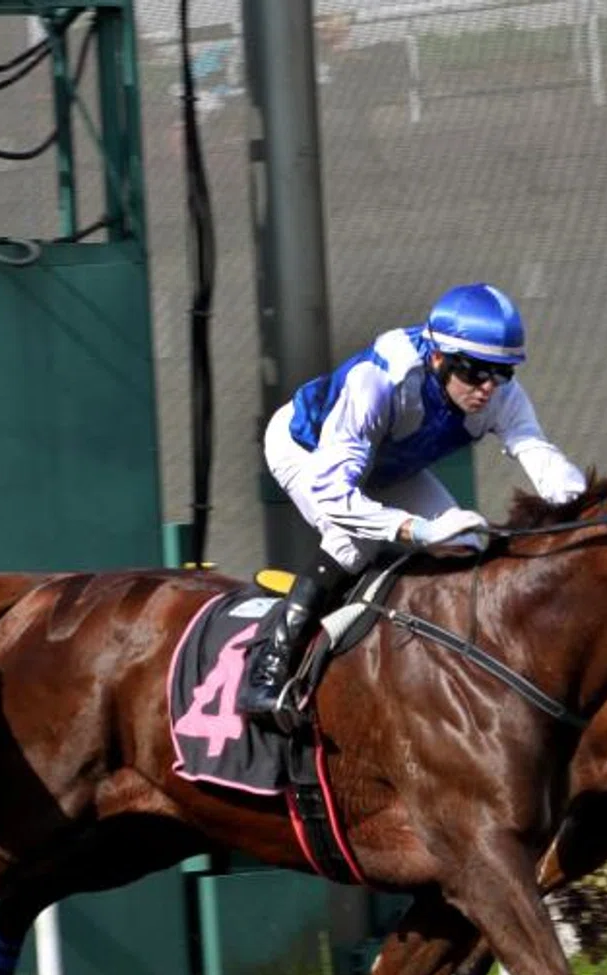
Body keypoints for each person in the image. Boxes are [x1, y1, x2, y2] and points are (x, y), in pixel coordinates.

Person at [237, 282, 587, 720]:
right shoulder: (381, 380)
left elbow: (539, 453)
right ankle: (268, 669)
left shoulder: (497, 394)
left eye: (502, 373)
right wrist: (414, 530)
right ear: (438, 357)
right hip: (306, 452)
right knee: (352, 542)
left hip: (387, 466)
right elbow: (334, 496)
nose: (488, 389)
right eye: (475, 372)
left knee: (469, 543)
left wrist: (586, 508)